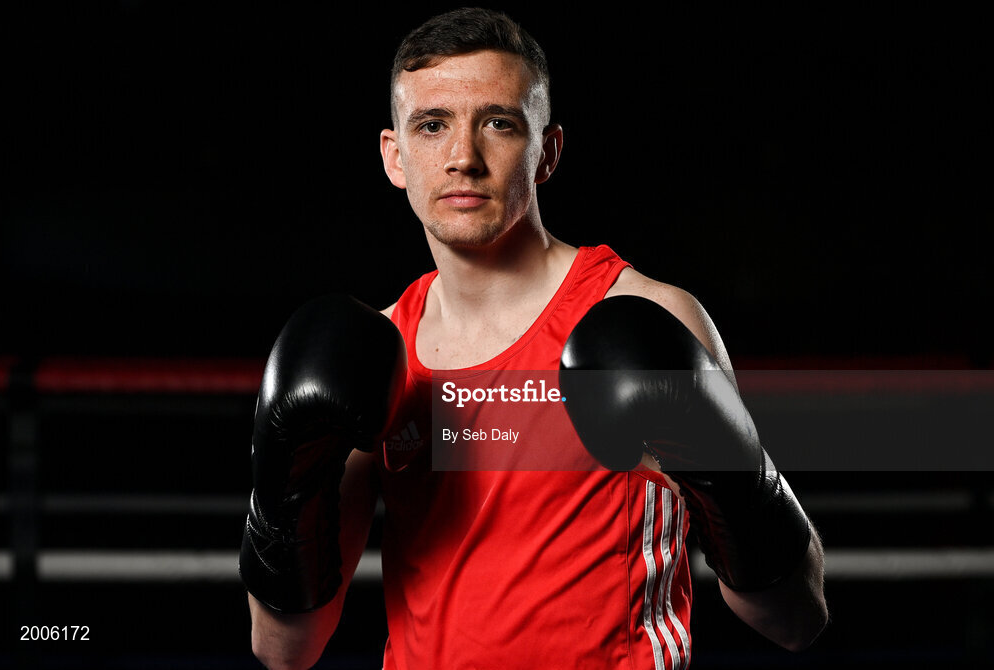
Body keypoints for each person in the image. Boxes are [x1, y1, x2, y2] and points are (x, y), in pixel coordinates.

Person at [241, 8, 828, 669]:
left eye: (499, 123)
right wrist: (283, 491)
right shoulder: (377, 355)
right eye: (432, 126)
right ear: (394, 156)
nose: (463, 158)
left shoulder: (648, 314)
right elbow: (285, 648)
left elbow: (795, 617)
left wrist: (731, 477)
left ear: (547, 151)